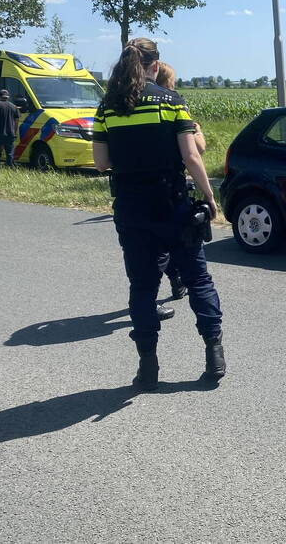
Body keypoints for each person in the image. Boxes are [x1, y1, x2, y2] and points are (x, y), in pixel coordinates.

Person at [92, 38, 225, 391]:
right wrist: (210, 198)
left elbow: (101, 162)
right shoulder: (172, 101)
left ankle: (147, 366)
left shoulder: (108, 107)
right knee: (198, 279)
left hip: (132, 208)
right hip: (172, 204)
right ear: (155, 66)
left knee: (143, 286)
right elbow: (191, 156)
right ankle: (214, 353)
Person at [154, 61, 203, 300]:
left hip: (143, 191)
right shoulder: (174, 104)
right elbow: (197, 150)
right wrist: (198, 129)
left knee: (157, 247)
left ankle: (173, 279)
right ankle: (181, 279)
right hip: (174, 186)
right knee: (182, 243)